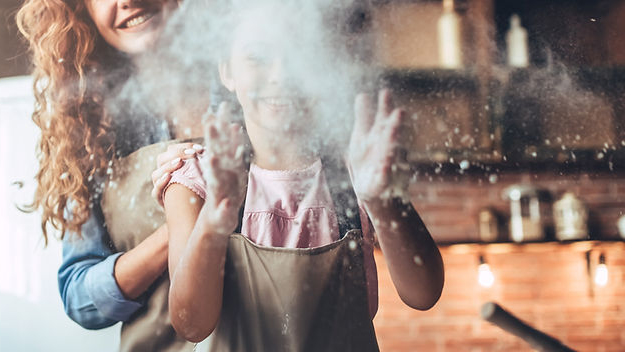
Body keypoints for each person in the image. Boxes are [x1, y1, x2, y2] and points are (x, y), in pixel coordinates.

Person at [162, 2, 445, 350]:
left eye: (300, 54)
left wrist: (383, 201)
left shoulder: (359, 167)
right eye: (258, 56)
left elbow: (424, 293)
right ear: (227, 70)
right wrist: (212, 223)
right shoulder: (197, 179)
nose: (282, 75)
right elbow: (190, 325)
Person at [16, 0, 207, 350]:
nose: (127, 1)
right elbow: (79, 298)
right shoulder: (90, 125)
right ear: (82, 10)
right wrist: (182, 227)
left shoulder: (250, 79)